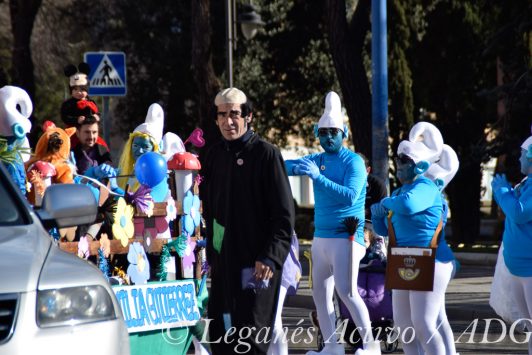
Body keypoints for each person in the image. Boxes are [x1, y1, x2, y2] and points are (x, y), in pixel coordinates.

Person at [200, 87, 294, 355]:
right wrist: (212, 254)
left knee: (250, 339)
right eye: (222, 115)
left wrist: (270, 257)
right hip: (223, 266)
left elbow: (284, 217)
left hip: (256, 266)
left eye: (234, 114)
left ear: (249, 116)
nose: (228, 122)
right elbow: (210, 212)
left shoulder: (266, 154)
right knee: (221, 338)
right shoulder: (215, 155)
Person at [285, 91, 380, 355]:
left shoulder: (355, 162)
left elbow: (350, 194)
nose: (328, 137)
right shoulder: (317, 159)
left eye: (333, 132)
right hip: (321, 238)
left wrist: (318, 178)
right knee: (319, 296)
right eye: (323, 132)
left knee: (347, 292)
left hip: (348, 237)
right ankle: (331, 346)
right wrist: (266, 160)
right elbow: (287, 166)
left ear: (344, 133)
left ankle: (371, 346)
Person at [371, 122, 455, 355]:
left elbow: (409, 206)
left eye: (404, 161)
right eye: (397, 159)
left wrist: (385, 203)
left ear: (421, 166)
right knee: (404, 327)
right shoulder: (398, 193)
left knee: (424, 324)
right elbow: (387, 229)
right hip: (402, 259)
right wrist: (377, 215)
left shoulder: (426, 187)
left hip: (430, 260)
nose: (398, 165)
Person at [491, 134, 532, 355]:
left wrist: (502, 192)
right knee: (529, 326)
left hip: (529, 267)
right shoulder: (527, 184)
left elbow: (519, 213)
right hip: (518, 267)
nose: (519, 160)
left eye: (523, 155)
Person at [60, 62, 108, 149]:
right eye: (75, 89)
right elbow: (65, 117)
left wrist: (97, 116)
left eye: (82, 89)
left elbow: (97, 113)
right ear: (71, 91)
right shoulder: (68, 104)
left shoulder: (91, 102)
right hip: (73, 134)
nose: (79, 92)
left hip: (90, 133)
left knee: (100, 148)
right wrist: (76, 120)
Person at [358, 153, 387, 220]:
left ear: (367, 171)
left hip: (372, 223)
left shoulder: (378, 185)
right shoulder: (343, 184)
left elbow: (382, 209)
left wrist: (365, 211)